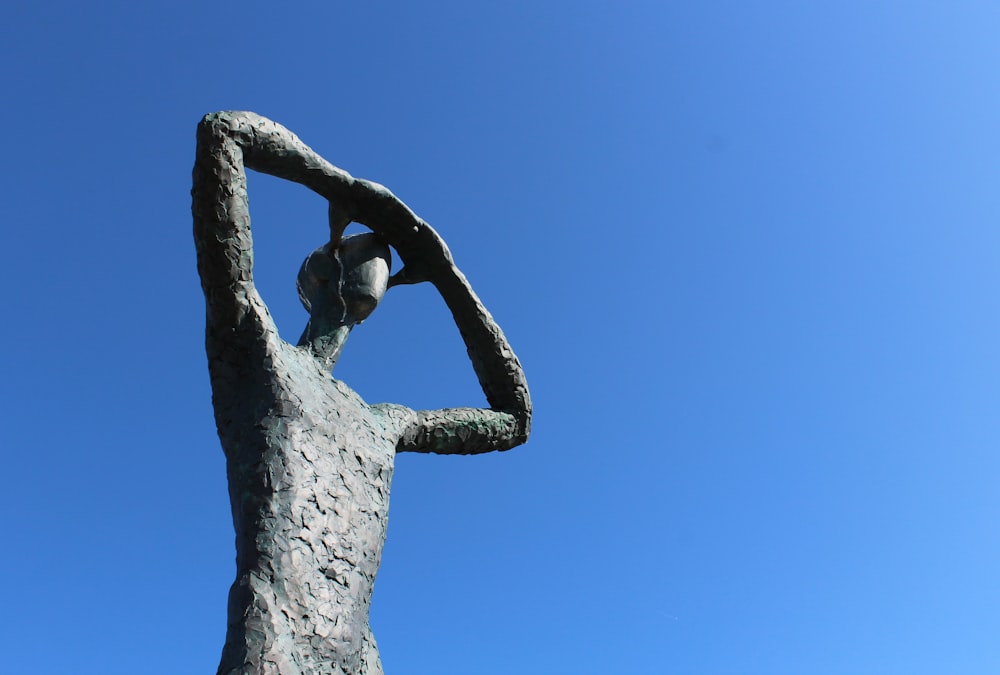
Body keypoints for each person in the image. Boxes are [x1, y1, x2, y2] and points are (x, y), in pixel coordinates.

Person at [192, 111, 531, 675]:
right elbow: (223, 132)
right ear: (319, 273)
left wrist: (449, 278)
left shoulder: (381, 423)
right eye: (357, 242)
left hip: (359, 660)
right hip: (272, 644)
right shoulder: (257, 355)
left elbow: (513, 419)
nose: (379, 248)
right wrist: (337, 184)